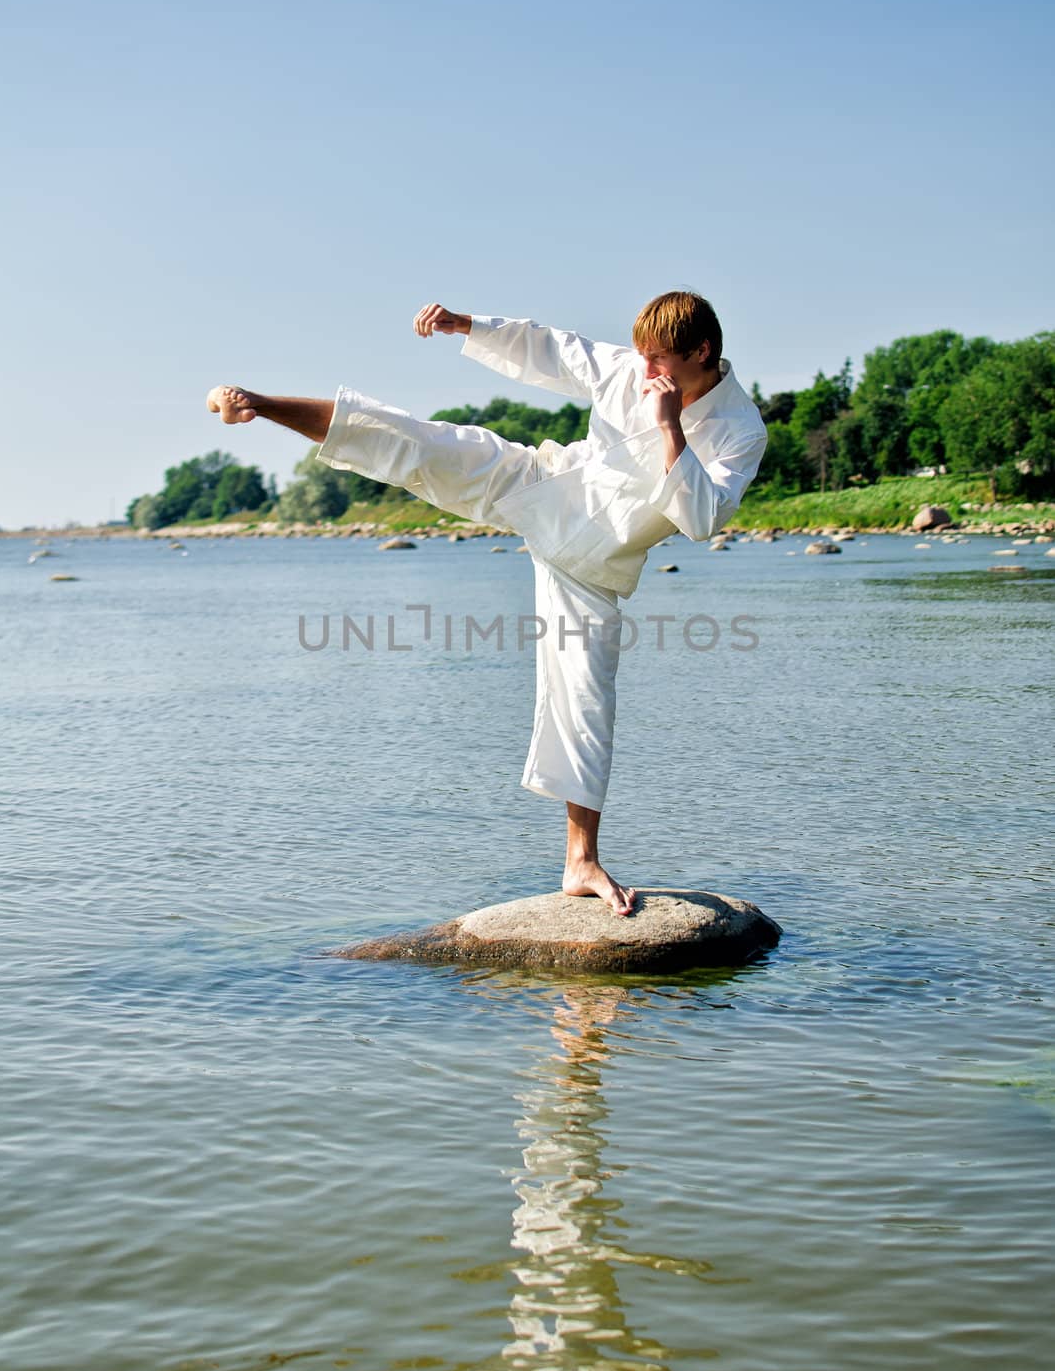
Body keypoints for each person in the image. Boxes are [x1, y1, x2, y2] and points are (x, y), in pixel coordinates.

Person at [206, 293, 767, 916]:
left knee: (584, 699)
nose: (643, 371)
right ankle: (262, 404)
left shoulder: (740, 428)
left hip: (593, 565)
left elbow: (700, 520)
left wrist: (669, 428)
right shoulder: (627, 368)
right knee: (423, 444)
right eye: (639, 357)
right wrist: (467, 326)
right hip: (544, 487)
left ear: (703, 353)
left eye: (657, 360)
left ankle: (580, 860)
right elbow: (552, 347)